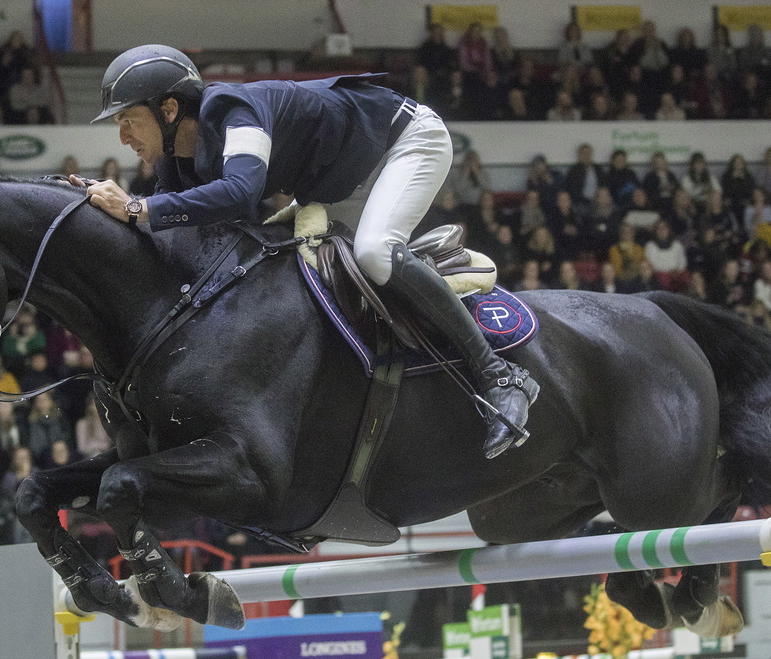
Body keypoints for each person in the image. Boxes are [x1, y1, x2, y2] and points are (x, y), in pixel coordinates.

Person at [79, 45, 538, 457]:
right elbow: (172, 232)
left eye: (127, 121)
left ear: (170, 109)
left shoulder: (233, 110)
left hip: (402, 143)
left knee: (375, 253)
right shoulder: (181, 163)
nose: (123, 137)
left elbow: (239, 193)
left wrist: (137, 206)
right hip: (340, 181)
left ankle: (498, 373)